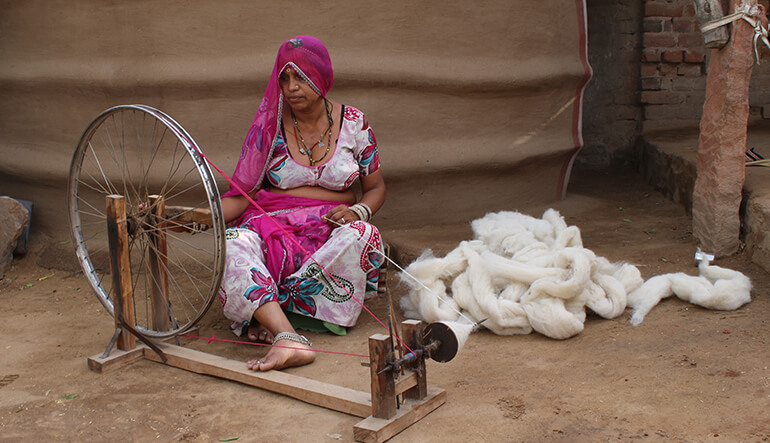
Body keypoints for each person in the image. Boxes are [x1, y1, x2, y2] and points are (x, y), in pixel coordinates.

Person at [218, 35, 386, 372]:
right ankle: (287, 336)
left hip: (329, 241)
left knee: (363, 234)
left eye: (301, 76)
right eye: (284, 77)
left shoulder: (354, 123)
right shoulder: (270, 126)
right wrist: (195, 217)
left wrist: (356, 210)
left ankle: (270, 313)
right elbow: (242, 196)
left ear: (322, 76)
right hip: (272, 234)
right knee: (231, 243)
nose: (292, 87)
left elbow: (376, 187)